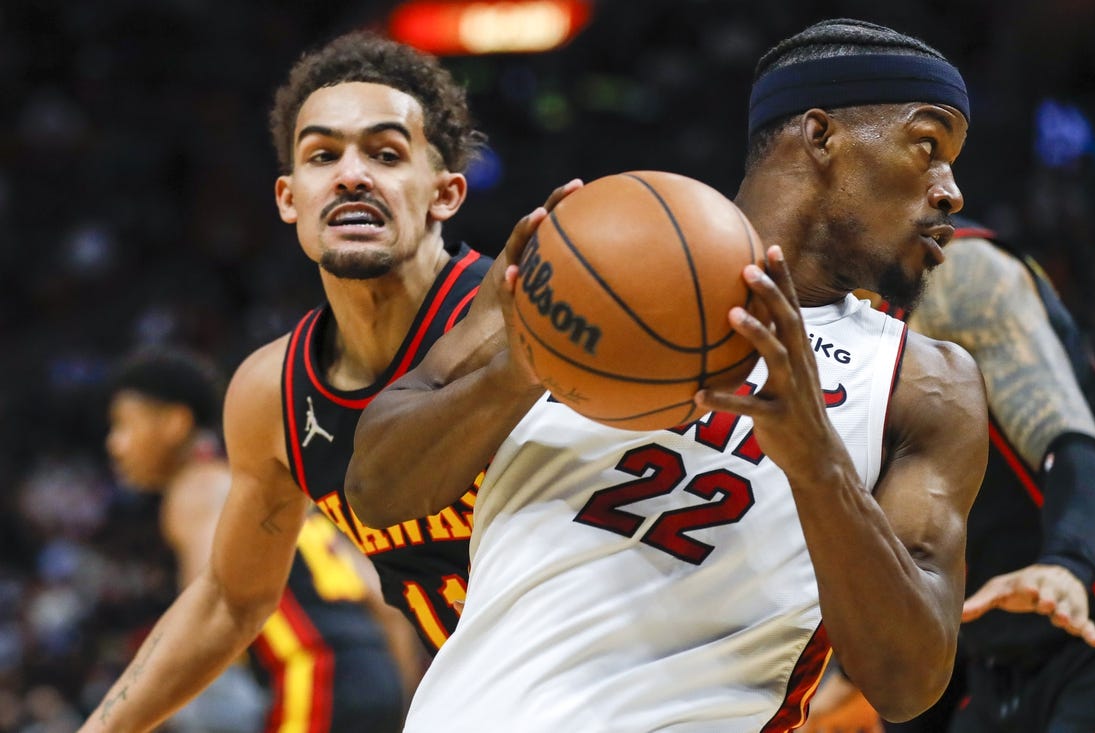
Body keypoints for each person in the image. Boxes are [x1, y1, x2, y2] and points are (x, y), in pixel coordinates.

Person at [344, 18, 989, 731]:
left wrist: (818, 464)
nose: (951, 190)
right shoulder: (583, 258)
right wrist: (521, 367)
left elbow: (909, 680)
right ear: (820, 135)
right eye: (928, 148)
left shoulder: (922, 383)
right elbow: (375, 490)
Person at [79, 30, 563, 732]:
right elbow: (229, 599)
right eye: (323, 155)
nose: (351, 175)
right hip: (483, 701)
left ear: (446, 193)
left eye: (387, 153)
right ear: (288, 197)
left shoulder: (532, 314)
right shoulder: (271, 392)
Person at [812, 220, 1095, 732]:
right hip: (984, 648)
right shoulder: (823, 326)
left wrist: (1068, 563)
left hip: (1082, 620)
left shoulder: (962, 277)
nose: (945, 187)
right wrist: (847, 677)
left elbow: (1073, 446)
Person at [104, 346, 418, 732]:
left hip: (311, 677)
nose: (114, 445)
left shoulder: (197, 490)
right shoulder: (266, 493)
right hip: (378, 674)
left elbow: (209, 618)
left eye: (123, 424)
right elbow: (386, 606)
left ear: (174, 423)